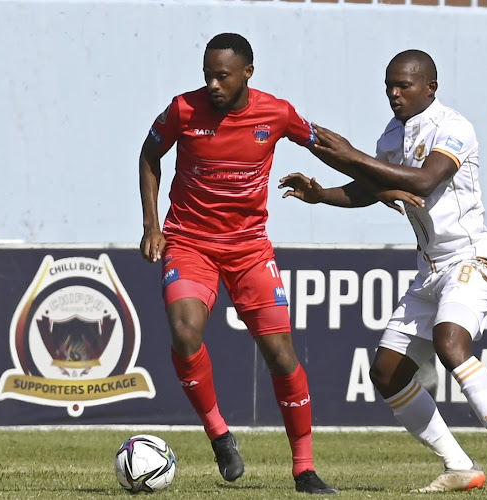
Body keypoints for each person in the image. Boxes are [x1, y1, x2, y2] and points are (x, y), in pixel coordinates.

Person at [279, 49, 487, 494]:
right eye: (388, 87)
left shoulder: (453, 127)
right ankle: (459, 466)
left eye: (404, 85)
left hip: (473, 257)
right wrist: (322, 194)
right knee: (386, 371)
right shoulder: (391, 137)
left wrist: (353, 155)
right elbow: (371, 186)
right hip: (430, 269)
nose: (394, 94)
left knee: (449, 341)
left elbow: (422, 180)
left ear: (430, 86)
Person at [137, 32, 344, 495]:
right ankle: (219, 434)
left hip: (250, 249)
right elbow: (149, 156)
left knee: (281, 355)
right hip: (190, 243)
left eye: (222, 76)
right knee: (185, 330)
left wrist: (375, 178)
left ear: (248, 72)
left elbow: (324, 143)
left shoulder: (276, 112)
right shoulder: (182, 111)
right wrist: (153, 225)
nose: (212, 84)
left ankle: (304, 470)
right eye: (207, 74)